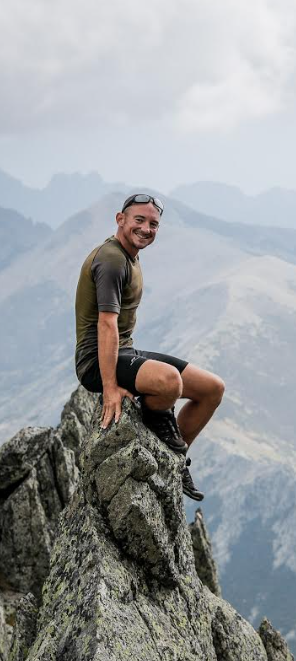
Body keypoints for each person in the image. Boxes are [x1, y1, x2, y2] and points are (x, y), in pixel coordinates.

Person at [74, 193, 224, 501]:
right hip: (96, 361)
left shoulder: (130, 255)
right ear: (121, 219)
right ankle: (166, 445)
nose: (146, 229)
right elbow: (106, 324)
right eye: (139, 220)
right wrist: (110, 386)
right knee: (169, 383)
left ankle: (172, 459)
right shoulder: (112, 259)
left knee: (212, 389)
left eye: (153, 224)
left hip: (124, 351)